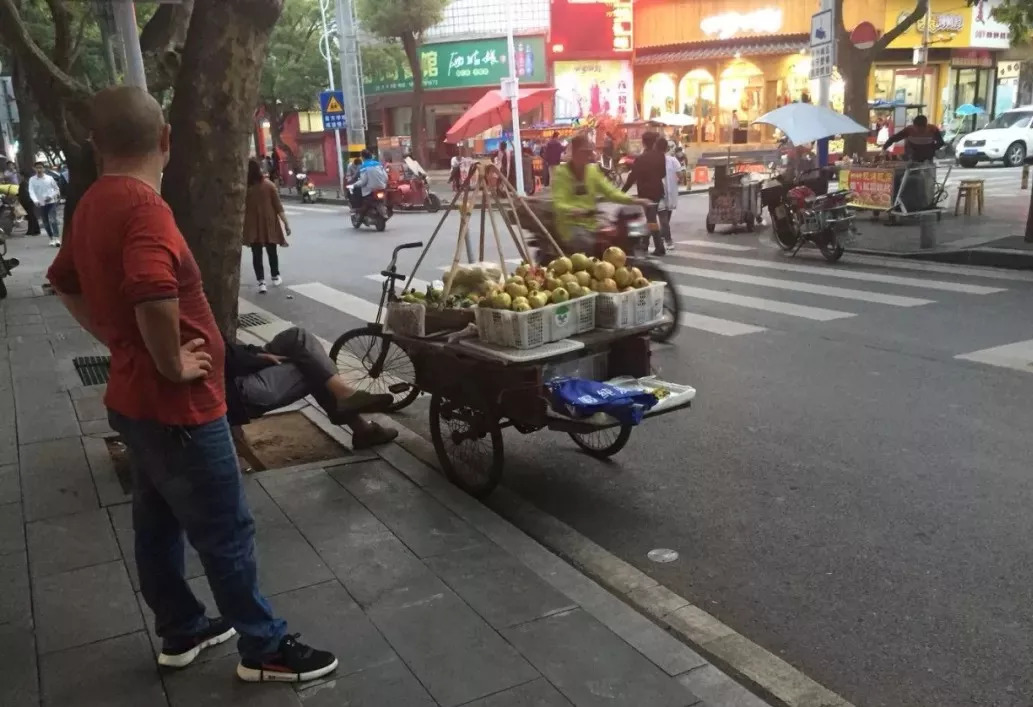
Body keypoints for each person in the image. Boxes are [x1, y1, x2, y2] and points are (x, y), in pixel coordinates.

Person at [45, 85, 340, 685]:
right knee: (225, 529)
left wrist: (116, 340)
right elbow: (152, 288)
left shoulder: (93, 203)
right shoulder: (143, 207)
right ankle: (264, 647)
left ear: (96, 145)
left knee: (157, 525)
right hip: (178, 408)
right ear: (165, 140)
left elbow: (65, 280)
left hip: (135, 403)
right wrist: (170, 361)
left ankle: (182, 630)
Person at [224, 327, 397, 449]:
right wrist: (257, 358)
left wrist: (256, 353)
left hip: (239, 366)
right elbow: (221, 359)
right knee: (312, 366)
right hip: (236, 389)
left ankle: (347, 401)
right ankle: (355, 418)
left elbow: (227, 351)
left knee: (297, 336)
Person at [551, 134, 650, 253]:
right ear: (575, 152)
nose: (589, 156)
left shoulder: (592, 171)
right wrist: (573, 210)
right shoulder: (562, 173)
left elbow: (610, 191)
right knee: (585, 245)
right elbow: (559, 202)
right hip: (570, 225)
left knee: (614, 239)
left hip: (592, 223)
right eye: (584, 152)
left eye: (590, 152)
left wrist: (634, 200)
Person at [243, 158, 290, 294]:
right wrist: (286, 223)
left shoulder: (246, 188)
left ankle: (261, 281)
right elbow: (278, 207)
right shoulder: (269, 185)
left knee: (256, 253)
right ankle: (275, 276)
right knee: (272, 251)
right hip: (269, 223)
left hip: (252, 225)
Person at [621, 130, 667, 255]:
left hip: (646, 193)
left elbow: (632, 177)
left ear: (643, 143)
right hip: (657, 191)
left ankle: (659, 246)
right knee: (650, 218)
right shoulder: (660, 156)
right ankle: (645, 244)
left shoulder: (641, 159)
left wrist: (622, 192)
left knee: (651, 220)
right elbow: (663, 173)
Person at [656, 137, 683, 253]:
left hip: (658, 192)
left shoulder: (655, 160)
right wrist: (679, 180)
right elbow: (681, 175)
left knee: (664, 219)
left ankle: (662, 238)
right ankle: (668, 240)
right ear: (667, 148)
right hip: (670, 193)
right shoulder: (673, 160)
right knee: (665, 219)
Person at [29, 161, 62, 247]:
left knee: (53, 220)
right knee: (45, 222)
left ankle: (57, 238)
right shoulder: (32, 180)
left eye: (40, 167)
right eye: (37, 168)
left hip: (51, 202)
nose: (39, 169)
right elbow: (31, 191)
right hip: (41, 203)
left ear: (44, 169)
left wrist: (51, 196)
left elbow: (56, 189)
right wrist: (35, 201)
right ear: (34, 169)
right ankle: (51, 238)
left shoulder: (49, 178)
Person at [349, 149, 387, 214]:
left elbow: (363, 181)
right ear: (371, 156)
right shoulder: (379, 164)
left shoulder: (363, 166)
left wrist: (354, 185)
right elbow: (386, 177)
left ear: (363, 157)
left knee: (354, 190)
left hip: (370, 190)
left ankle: (356, 209)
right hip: (381, 187)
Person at [17, 170, 40, 235]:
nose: (19, 177)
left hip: (27, 201)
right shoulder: (29, 182)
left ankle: (32, 231)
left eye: (19, 176)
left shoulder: (23, 183)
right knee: (32, 216)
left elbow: (24, 194)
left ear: (22, 176)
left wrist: (22, 202)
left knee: (30, 217)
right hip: (31, 201)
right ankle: (36, 230)